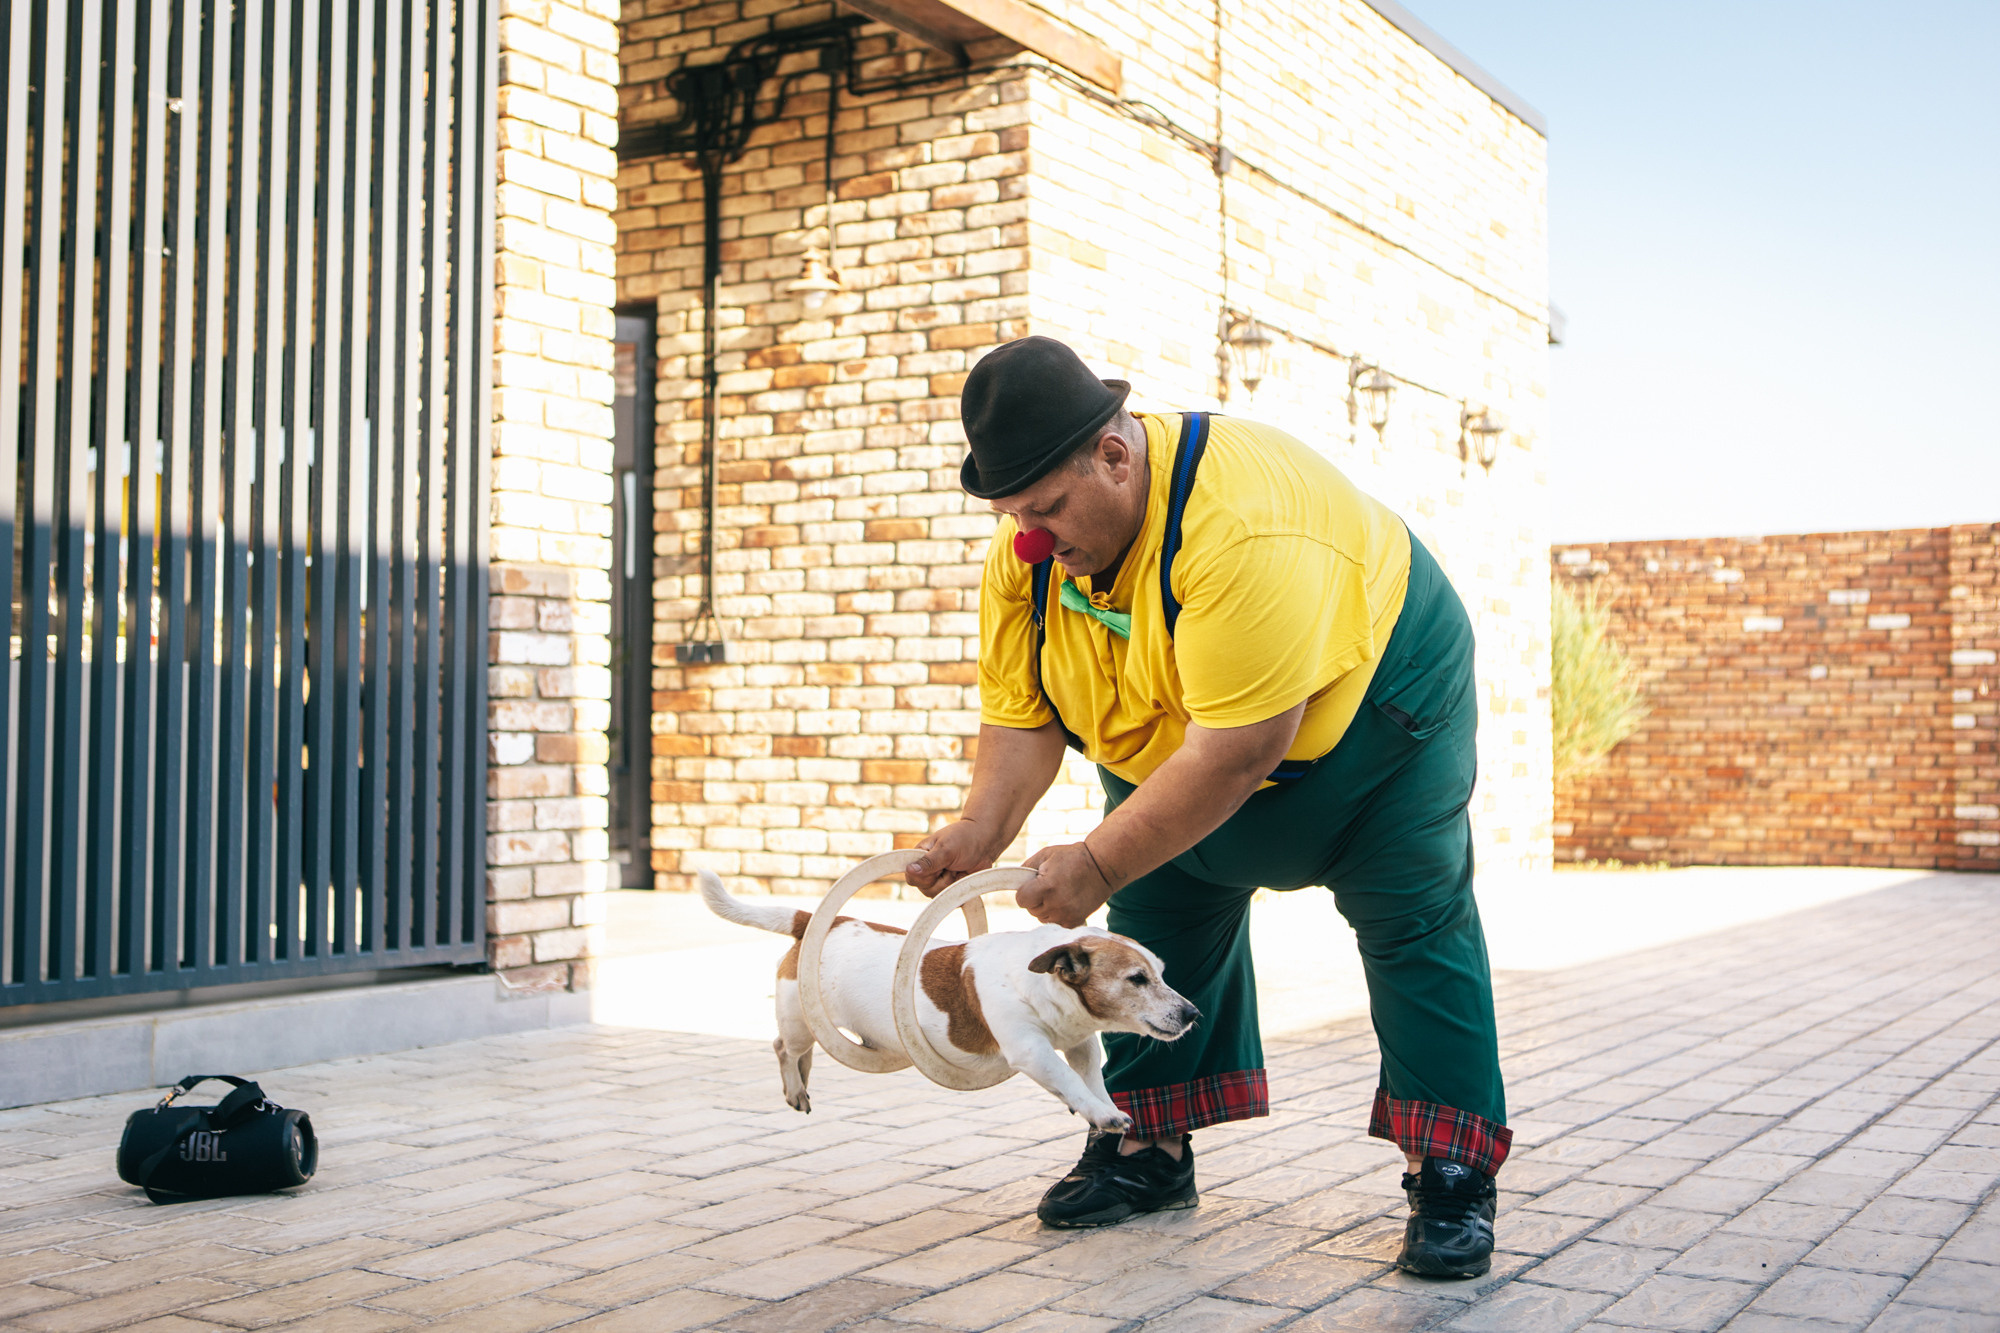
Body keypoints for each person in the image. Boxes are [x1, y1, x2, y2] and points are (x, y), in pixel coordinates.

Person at [904, 336, 1509, 1278]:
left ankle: (1452, 1168)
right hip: (1172, 736)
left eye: (1048, 510)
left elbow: (1236, 751)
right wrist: (981, 830)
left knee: (1412, 915)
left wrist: (1097, 862)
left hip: (1378, 721)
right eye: (1015, 514)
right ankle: (1148, 1148)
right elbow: (1023, 716)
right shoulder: (1026, 554)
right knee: (1160, 908)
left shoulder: (1243, 527)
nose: (1031, 539)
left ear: (1115, 455)